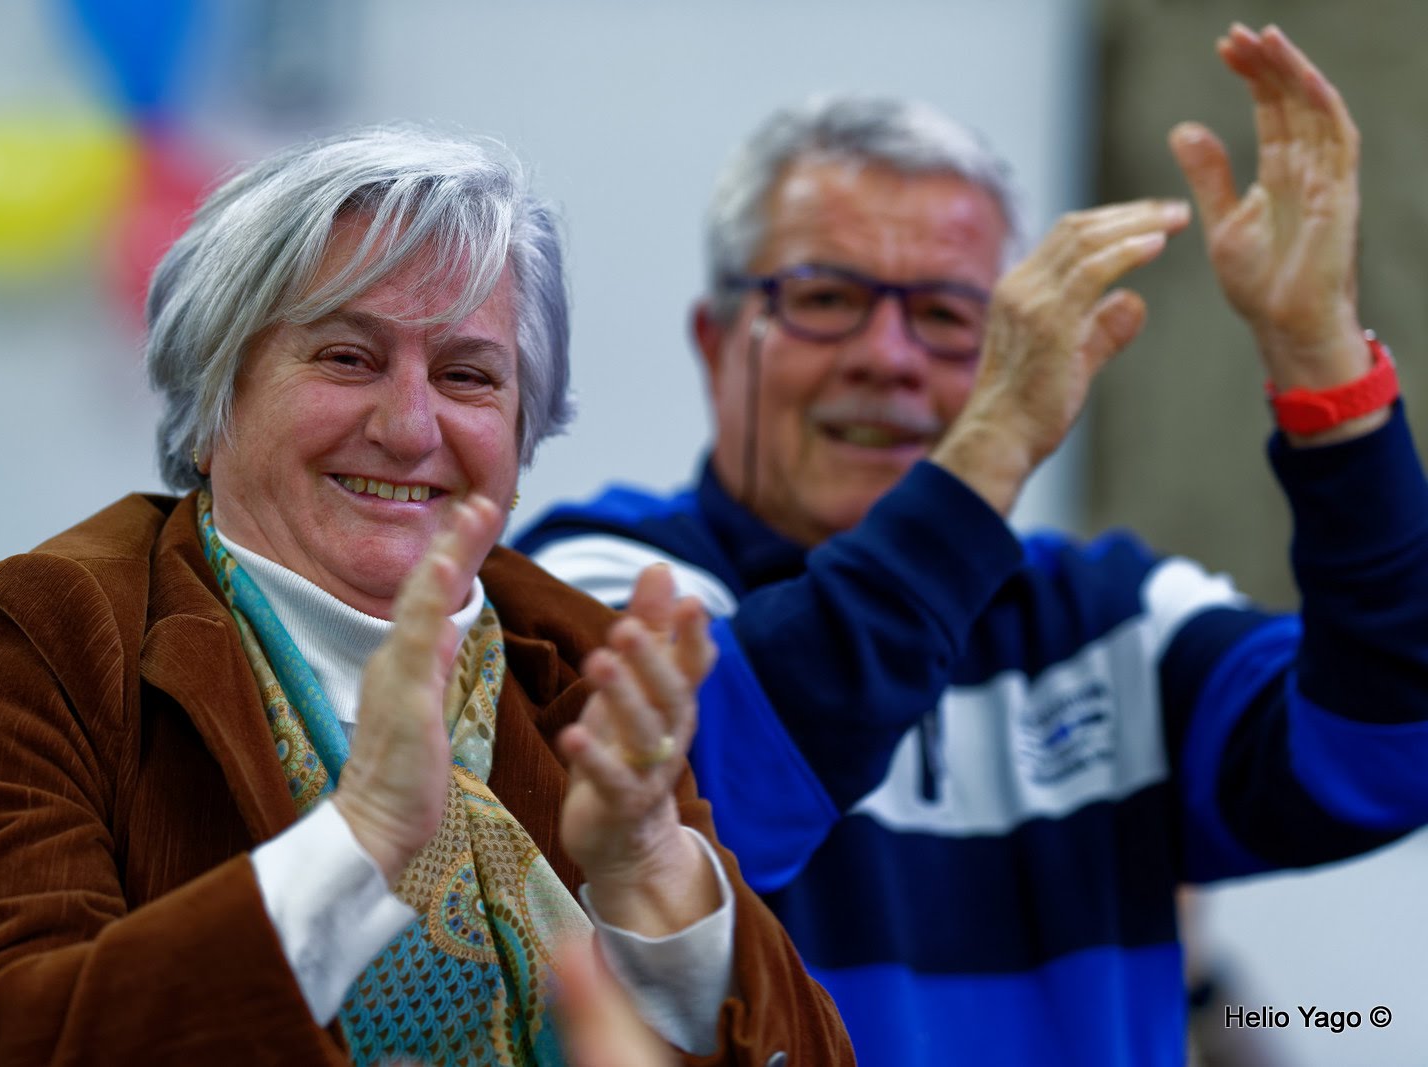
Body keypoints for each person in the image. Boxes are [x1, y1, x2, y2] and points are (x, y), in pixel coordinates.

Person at [0, 126, 852, 1066]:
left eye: (467, 375)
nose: (411, 427)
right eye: (346, 357)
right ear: (210, 401)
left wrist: (647, 869)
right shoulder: (37, 645)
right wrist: (356, 838)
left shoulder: (573, 660)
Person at [517, 23, 1428, 1067]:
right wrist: (993, 439)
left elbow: (1388, 757)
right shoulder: (594, 576)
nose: (890, 357)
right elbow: (700, 817)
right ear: (717, 341)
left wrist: (1319, 358)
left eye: (949, 316)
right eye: (825, 299)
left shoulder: (1110, 619)